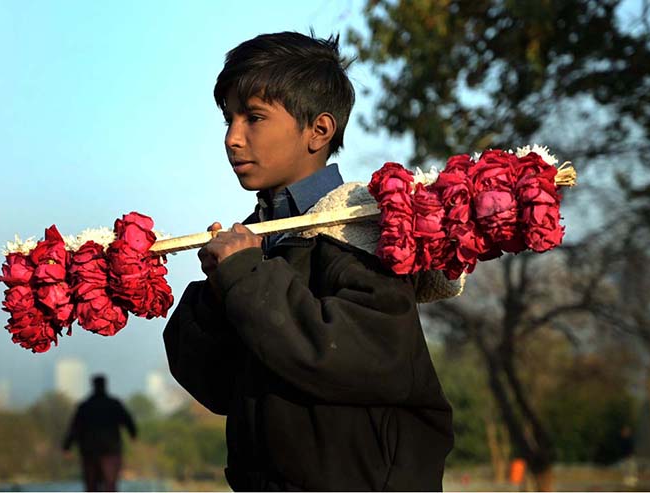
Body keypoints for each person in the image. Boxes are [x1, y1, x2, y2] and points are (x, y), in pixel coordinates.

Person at [164, 31, 453, 491]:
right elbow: (218, 389)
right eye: (228, 119)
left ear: (319, 130)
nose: (232, 139)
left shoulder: (361, 234)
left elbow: (349, 356)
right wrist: (220, 292)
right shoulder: (256, 242)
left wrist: (245, 279)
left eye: (253, 118)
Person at [62, 375, 137, 492]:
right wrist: (133, 435)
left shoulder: (85, 406)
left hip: (89, 451)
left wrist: (67, 446)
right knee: (110, 485)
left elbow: (75, 428)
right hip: (110, 451)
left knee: (91, 486)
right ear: (105, 385)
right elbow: (128, 421)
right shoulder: (114, 404)